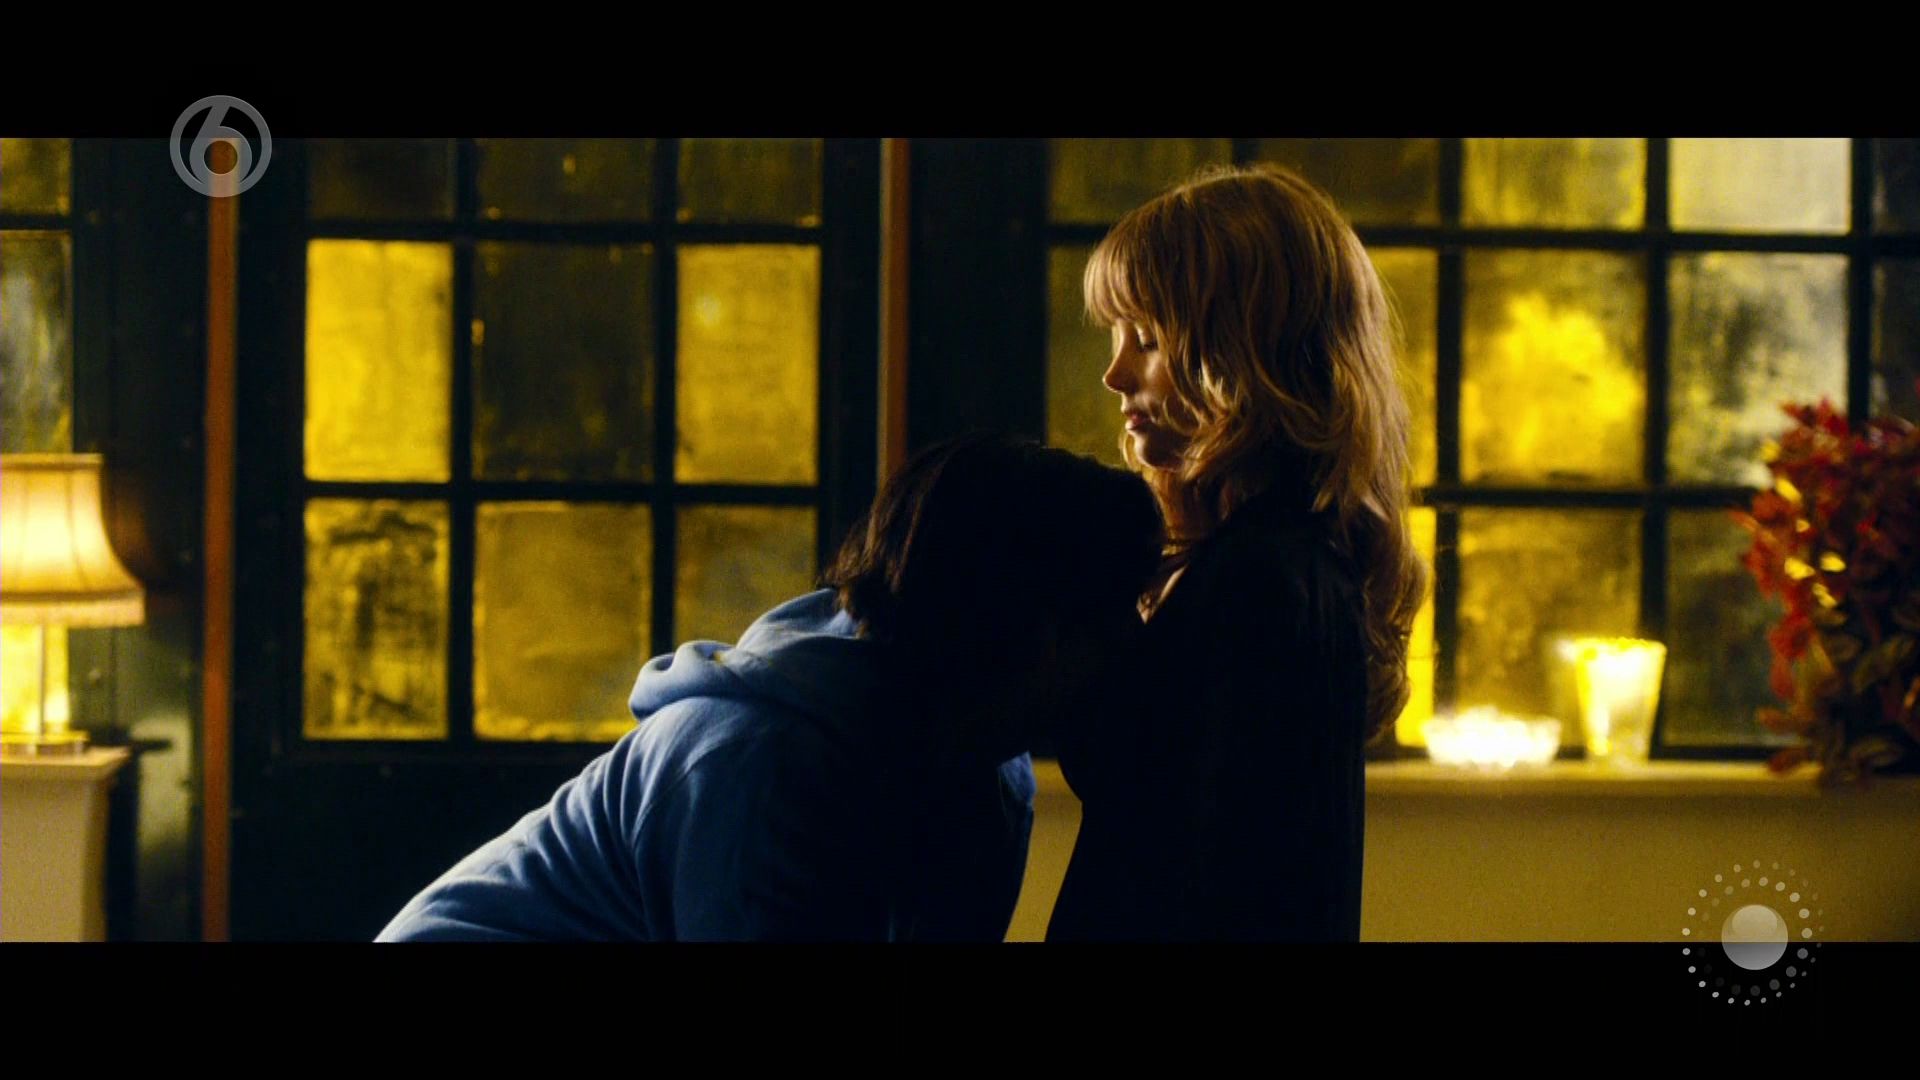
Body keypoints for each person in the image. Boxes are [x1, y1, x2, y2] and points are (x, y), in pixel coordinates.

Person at [378, 435, 1161, 942]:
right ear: (1031, 626)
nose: (1135, 642)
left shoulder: (983, 770)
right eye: (1113, 614)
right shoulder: (761, 766)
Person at [1046, 163, 1431, 942]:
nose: (1114, 373)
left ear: (1244, 353)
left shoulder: (1265, 581)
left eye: (1148, 339)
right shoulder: (1263, 565)